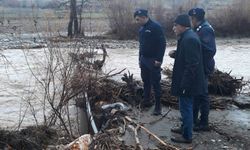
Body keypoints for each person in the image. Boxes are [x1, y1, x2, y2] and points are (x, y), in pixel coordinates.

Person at [169, 14, 205, 143]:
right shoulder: (186, 37)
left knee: (186, 108)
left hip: (189, 82)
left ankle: (187, 136)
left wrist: (185, 84)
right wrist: (176, 54)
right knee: (184, 106)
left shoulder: (189, 39)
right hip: (187, 80)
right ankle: (184, 128)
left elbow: (192, 65)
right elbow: (188, 57)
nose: (173, 28)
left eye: (175, 25)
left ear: (182, 26)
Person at [188, 8, 216, 131]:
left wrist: (197, 59)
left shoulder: (205, 29)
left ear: (194, 18)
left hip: (203, 66)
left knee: (203, 94)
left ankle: (204, 122)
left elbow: (210, 50)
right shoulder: (199, 28)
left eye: (191, 18)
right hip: (200, 65)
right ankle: (194, 119)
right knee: (197, 93)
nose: (191, 20)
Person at [134, 9, 166, 115]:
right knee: (145, 81)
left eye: (138, 19)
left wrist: (159, 59)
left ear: (144, 17)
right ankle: (146, 100)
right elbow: (141, 45)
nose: (137, 21)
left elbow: (162, 44)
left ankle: (158, 107)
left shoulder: (156, 27)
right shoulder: (141, 29)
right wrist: (139, 59)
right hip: (144, 59)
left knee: (155, 82)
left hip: (153, 59)